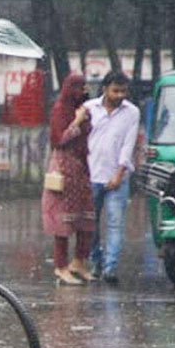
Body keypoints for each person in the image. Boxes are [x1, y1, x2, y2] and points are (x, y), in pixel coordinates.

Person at [85, 70, 140, 283]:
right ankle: (95, 262)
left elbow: (128, 145)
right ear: (104, 89)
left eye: (123, 91)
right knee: (91, 224)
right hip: (92, 174)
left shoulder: (131, 112)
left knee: (115, 224)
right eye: (115, 91)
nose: (119, 96)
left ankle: (110, 267)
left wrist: (119, 173)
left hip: (118, 177)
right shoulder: (89, 109)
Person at [42, 73, 95, 285]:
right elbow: (59, 139)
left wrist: (84, 118)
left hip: (81, 168)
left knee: (86, 219)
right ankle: (61, 266)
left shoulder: (80, 108)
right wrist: (77, 121)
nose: (82, 92)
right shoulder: (59, 109)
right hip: (64, 169)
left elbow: (86, 134)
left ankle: (78, 262)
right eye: (78, 87)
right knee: (62, 222)